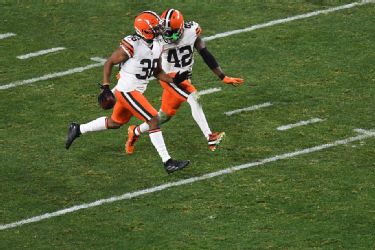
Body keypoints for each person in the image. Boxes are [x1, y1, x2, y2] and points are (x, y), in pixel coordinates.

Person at [65, 11, 190, 174]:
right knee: (153, 119)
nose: (160, 29)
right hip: (127, 90)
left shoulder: (158, 44)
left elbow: (156, 71)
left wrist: (174, 80)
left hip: (135, 90)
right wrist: (105, 86)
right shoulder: (133, 45)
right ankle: (168, 162)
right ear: (145, 31)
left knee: (115, 123)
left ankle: (78, 129)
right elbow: (109, 62)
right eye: (156, 27)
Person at [125, 8, 244, 155]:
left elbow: (205, 53)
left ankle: (135, 131)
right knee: (194, 98)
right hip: (170, 79)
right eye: (166, 32)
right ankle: (210, 136)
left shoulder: (191, 31)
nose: (169, 36)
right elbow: (140, 56)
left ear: (181, 27)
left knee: (163, 116)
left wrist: (223, 76)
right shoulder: (157, 40)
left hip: (183, 79)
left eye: (173, 32)